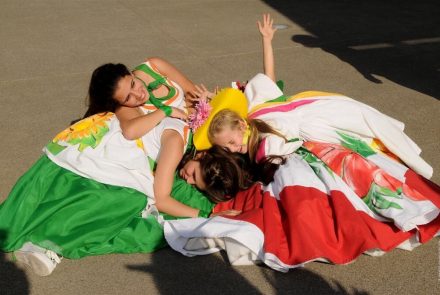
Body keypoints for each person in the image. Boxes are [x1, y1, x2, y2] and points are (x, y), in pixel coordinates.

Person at [173, 14, 440, 270]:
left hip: (316, 152)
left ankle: (408, 213)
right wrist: (209, 100)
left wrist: (266, 41)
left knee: (366, 177)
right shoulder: (246, 139)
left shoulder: (258, 111)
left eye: (232, 141)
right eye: (228, 147)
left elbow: (267, 77)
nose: (233, 148)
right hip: (296, 163)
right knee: (311, 206)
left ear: (242, 124)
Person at [0, 58, 247, 276]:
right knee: (122, 204)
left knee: (98, 199)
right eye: (128, 96)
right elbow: (160, 195)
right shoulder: (174, 137)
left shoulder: (183, 120)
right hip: (116, 150)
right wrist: (207, 215)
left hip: (117, 144)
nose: (137, 94)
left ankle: (46, 242)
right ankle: (48, 243)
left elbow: (198, 96)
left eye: (133, 85)